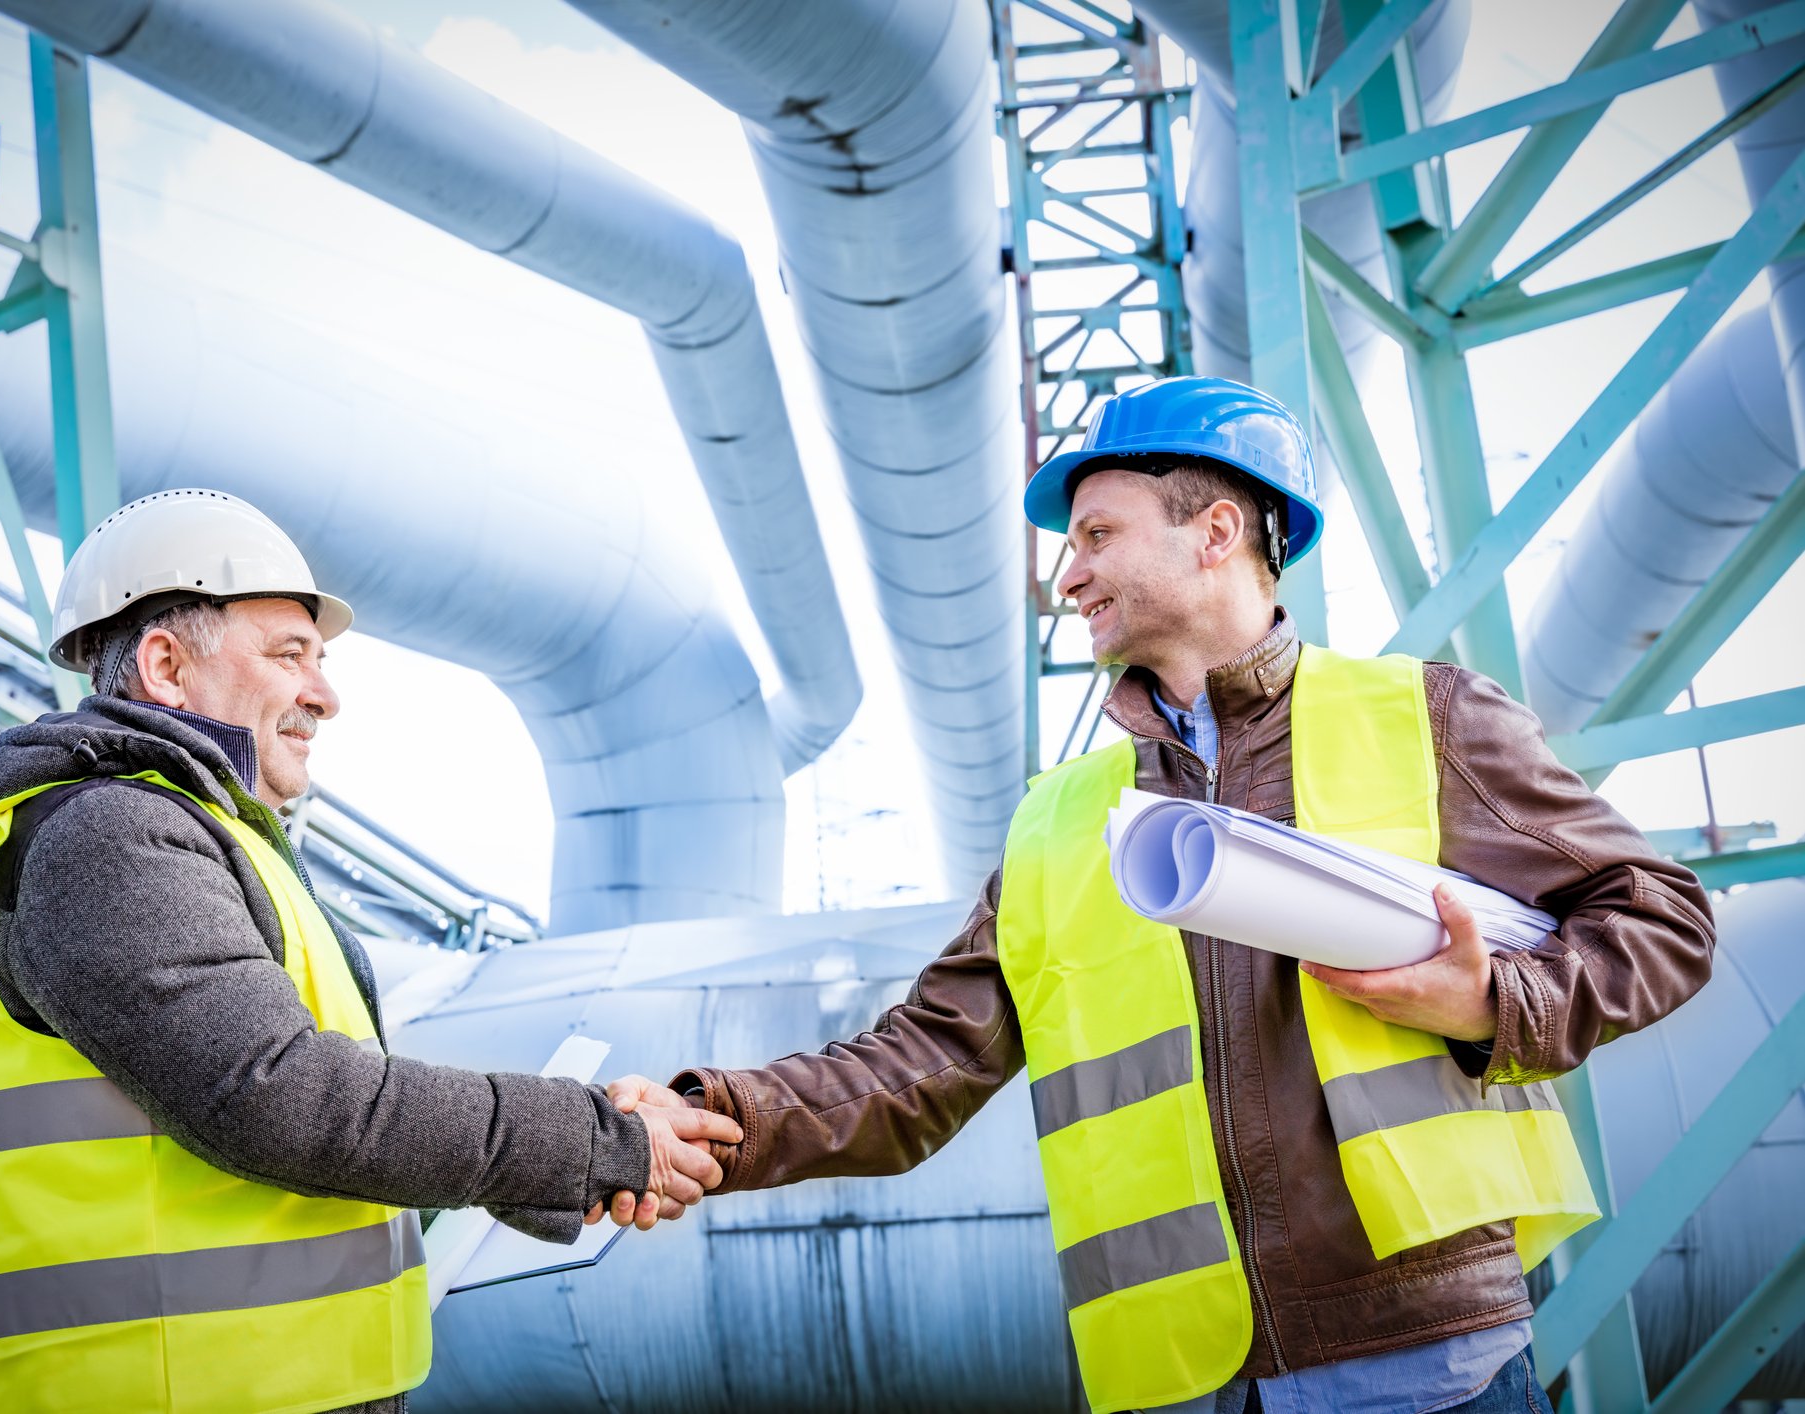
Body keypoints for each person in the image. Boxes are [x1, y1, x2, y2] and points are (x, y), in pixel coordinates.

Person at [602, 377, 1717, 1413]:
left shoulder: (1422, 718)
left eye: (1095, 536)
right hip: (1182, 1375)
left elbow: (1665, 918)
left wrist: (1495, 1006)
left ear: (1215, 532)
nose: (1067, 575)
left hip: (1419, 1359)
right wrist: (717, 1116)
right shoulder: (1061, 819)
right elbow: (922, 1061)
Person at [0, 489, 735, 1413]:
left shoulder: (219, 845)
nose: (326, 694)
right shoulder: (107, 837)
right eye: (288, 656)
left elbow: (323, 1122)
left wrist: (563, 1164)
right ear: (165, 666)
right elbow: (280, 1098)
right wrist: (587, 1138)